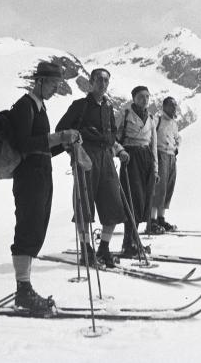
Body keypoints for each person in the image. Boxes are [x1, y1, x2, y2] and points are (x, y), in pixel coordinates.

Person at [7, 61, 81, 312]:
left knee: (36, 226)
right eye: (52, 84)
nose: (55, 89)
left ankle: (25, 287)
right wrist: (59, 137)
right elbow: (24, 144)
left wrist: (64, 142)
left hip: (40, 175)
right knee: (28, 226)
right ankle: (23, 290)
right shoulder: (25, 106)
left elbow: (42, 146)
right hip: (29, 176)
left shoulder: (38, 107)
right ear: (39, 81)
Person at [56, 68, 131, 268]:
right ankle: (86, 249)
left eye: (106, 80)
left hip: (106, 158)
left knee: (113, 204)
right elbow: (61, 130)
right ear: (91, 82)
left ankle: (104, 248)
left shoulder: (108, 108)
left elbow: (113, 135)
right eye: (99, 80)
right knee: (84, 205)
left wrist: (116, 147)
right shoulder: (79, 106)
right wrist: (73, 151)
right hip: (85, 157)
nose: (103, 84)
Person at [116, 86, 161, 240]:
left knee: (144, 199)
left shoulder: (151, 118)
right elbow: (113, 135)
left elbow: (153, 145)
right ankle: (128, 240)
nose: (145, 99)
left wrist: (155, 169)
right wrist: (120, 151)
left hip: (146, 158)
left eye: (147, 96)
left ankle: (135, 239)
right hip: (130, 157)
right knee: (132, 197)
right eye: (141, 96)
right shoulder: (125, 114)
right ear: (133, 98)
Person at [153, 97, 182, 232]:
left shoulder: (174, 123)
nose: (174, 108)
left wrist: (176, 148)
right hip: (160, 154)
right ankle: (152, 220)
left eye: (175, 105)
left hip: (171, 156)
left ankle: (161, 219)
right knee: (159, 188)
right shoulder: (157, 120)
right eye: (171, 105)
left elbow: (178, 137)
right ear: (164, 106)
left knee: (168, 187)